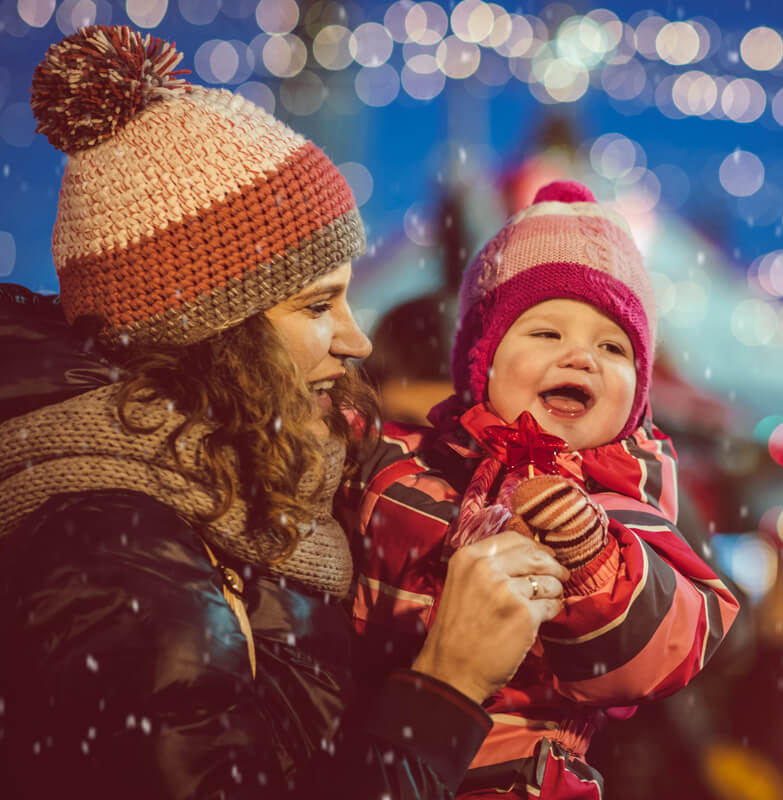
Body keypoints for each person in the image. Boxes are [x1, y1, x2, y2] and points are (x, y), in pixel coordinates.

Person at [0, 26, 568, 799]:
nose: (356, 339)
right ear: (208, 333)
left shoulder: (250, 497)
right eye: (317, 304)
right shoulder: (114, 563)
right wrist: (445, 682)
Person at [337, 180, 741, 799]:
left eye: (612, 346)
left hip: (521, 778)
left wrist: (587, 554)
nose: (581, 357)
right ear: (483, 363)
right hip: (378, 744)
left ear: (637, 395)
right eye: (546, 334)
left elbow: (667, 646)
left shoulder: (627, 506)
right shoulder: (415, 460)